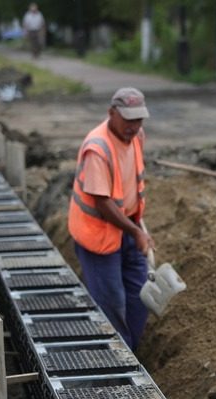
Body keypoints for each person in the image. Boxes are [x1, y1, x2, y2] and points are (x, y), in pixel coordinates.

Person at [68, 87, 154, 352]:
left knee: (140, 298)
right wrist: (136, 232)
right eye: (128, 119)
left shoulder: (137, 136)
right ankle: (116, 368)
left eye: (138, 119)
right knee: (112, 305)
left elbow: (129, 185)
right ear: (111, 113)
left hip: (127, 227)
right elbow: (103, 203)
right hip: (98, 236)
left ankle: (132, 357)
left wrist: (138, 227)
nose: (133, 126)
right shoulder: (97, 148)